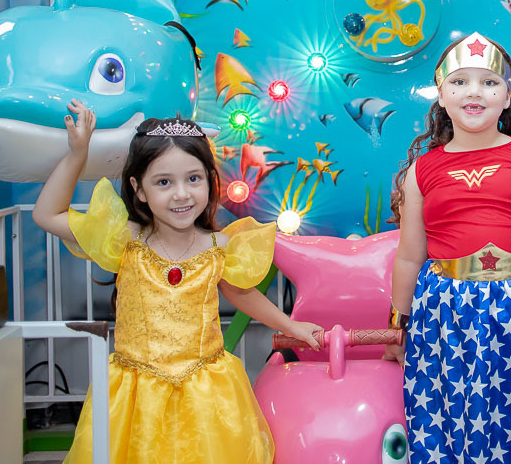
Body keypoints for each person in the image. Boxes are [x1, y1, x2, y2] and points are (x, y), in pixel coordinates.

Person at [32, 100, 321, 463]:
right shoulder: (125, 238)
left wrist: (291, 325)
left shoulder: (221, 246)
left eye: (193, 179)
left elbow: (241, 293)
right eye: (164, 182)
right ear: (139, 188)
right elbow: (47, 214)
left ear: (209, 180)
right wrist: (78, 154)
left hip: (205, 395)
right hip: (134, 396)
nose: (181, 194)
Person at [384, 32, 511, 462]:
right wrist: (396, 328)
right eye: (459, 82)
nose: (474, 92)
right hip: (446, 320)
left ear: (507, 96)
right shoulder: (422, 172)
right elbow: (409, 256)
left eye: (489, 82)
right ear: (441, 95)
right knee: (453, 428)